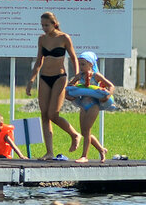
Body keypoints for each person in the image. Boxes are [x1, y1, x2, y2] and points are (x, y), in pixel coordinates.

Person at [24, 12, 81, 160]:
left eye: (46, 25)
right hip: (44, 78)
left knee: (53, 114)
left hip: (59, 77)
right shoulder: (42, 39)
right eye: (42, 25)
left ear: (54, 24)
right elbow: (38, 61)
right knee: (44, 115)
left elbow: (74, 57)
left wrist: (77, 75)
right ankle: (49, 152)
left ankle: (74, 134)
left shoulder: (64, 38)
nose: (44, 28)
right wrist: (31, 80)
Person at [66, 51, 113, 163]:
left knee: (87, 130)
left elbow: (111, 86)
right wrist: (69, 96)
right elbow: (69, 86)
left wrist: (107, 96)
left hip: (93, 105)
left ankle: (84, 156)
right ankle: (101, 150)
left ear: (91, 64)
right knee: (84, 132)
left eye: (83, 64)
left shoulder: (96, 76)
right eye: (80, 64)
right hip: (83, 105)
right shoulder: (79, 76)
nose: (81, 67)